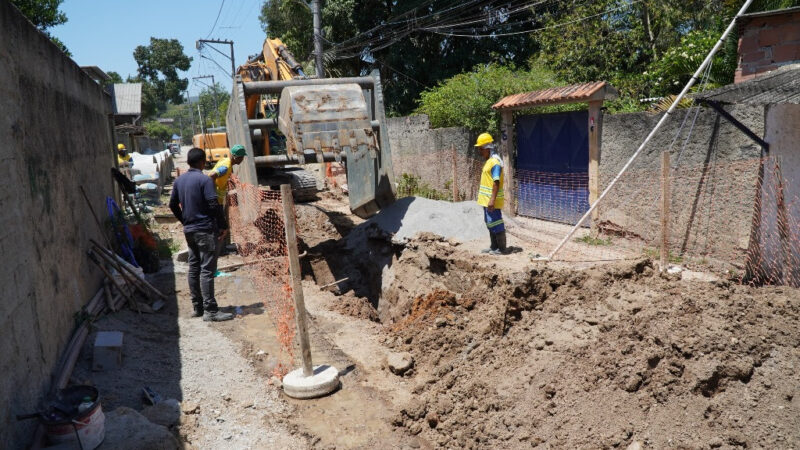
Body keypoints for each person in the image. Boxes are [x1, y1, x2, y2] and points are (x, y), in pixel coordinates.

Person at [169, 148, 234, 321]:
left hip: (190, 231)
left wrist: (185, 221)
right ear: (202, 162)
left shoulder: (179, 181)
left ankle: (197, 307)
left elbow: (172, 204)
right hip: (205, 229)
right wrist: (222, 225)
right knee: (207, 270)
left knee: (194, 267)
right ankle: (210, 311)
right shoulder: (205, 180)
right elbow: (213, 204)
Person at [475, 132, 507, 255]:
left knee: (496, 222)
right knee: (490, 223)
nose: (479, 151)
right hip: (486, 200)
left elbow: (496, 182)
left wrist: (492, 200)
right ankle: (494, 246)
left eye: (480, 149)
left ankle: (501, 248)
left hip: (491, 200)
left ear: (487, 148)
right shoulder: (489, 161)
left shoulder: (495, 162)